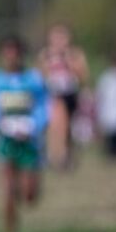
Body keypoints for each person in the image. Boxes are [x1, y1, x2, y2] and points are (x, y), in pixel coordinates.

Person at [0, 36, 49, 232]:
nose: (12, 58)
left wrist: (34, 126)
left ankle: (25, 188)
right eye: (8, 53)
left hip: (29, 141)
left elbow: (43, 106)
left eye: (15, 53)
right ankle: (10, 230)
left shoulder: (33, 79)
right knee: (7, 189)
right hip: (5, 141)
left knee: (29, 194)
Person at [38, 24, 89, 170]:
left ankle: (66, 154)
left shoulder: (75, 54)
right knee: (57, 125)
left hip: (70, 93)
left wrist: (68, 61)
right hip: (53, 93)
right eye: (56, 37)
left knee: (67, 128)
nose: (59, 41)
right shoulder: (46, 54)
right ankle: (57, 157)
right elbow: (40, 75)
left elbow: (83, 75)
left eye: (62, 37)